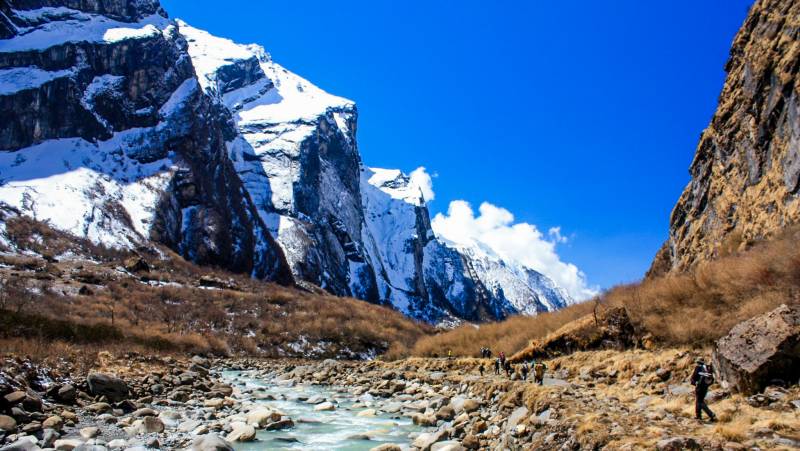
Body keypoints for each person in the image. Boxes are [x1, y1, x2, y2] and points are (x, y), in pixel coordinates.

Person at [690, 358, 717, 422]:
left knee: (700, 402)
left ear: (698, 362)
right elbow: (712, 379)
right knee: (698, 401)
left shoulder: (698, 367)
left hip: (699, 387)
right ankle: (698, 416)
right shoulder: (708, 368)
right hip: (705, 387)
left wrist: (694, 383)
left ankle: (711, 414)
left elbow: (693, 377)